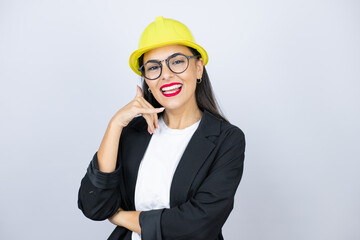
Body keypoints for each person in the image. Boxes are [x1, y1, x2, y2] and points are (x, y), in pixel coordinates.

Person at [78, 16, 246, 240]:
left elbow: (198, 225)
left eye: (177, 62)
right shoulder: (132, 132)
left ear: (198, 69)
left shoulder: (226, 139)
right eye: (153, 67)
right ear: (146, 80)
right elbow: (94, 205)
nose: (165, 74)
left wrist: (119, 217)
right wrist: (116, 123)